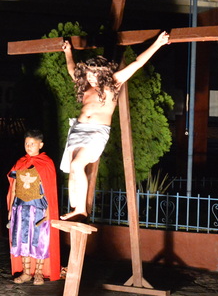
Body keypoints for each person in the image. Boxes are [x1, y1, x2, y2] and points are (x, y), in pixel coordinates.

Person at [59, 31, 170, 220]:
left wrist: (157, 44)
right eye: (89, 74)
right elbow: (71, 70)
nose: (90, 78)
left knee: (78, 165)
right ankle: (74, 207)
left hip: (96, 132)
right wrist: (68, 52)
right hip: (78, 130)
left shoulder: (113, 85)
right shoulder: (86, 87)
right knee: (72, 169)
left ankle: (81, 210)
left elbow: (137, 63)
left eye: (94, 75)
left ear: (103, 73)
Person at [7, 129, 61, 285]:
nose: (29, 147)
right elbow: (15, 185)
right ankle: (26, 273)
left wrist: (49, 211)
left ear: (40, 145)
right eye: (26, 144)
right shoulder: (20, 162)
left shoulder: (46, 163)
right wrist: (11, 208)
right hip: (21, 208)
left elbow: (49, 189)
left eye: (32, 144)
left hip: (39, 208)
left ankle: (38, 273)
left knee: (39, 239)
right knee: (22, 239)